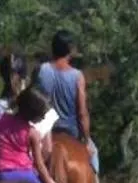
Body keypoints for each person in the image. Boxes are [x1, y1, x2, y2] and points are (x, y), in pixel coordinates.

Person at [36, 30, 97, 171]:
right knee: (94, 156)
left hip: (44, 133)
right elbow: (82, 113)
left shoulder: (41, 70)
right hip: (70, 132)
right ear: (70, 50)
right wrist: (86, 140)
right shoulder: (77, 76)